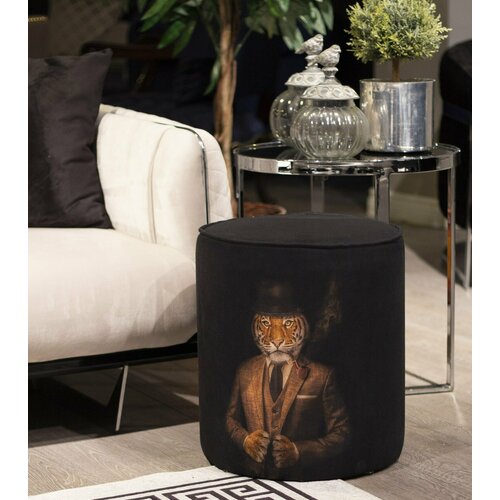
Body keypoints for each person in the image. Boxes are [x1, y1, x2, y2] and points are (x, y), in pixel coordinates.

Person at [225, 281, 350, 479]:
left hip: (301, 476)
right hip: (251, 475)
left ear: (304, 326)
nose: (276, 338)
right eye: (266, 324)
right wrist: (245, 440)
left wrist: (299, 451)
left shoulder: (322, 376)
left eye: (288, 323)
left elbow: (341, 432)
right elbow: (230, 419)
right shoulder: (245, 370)